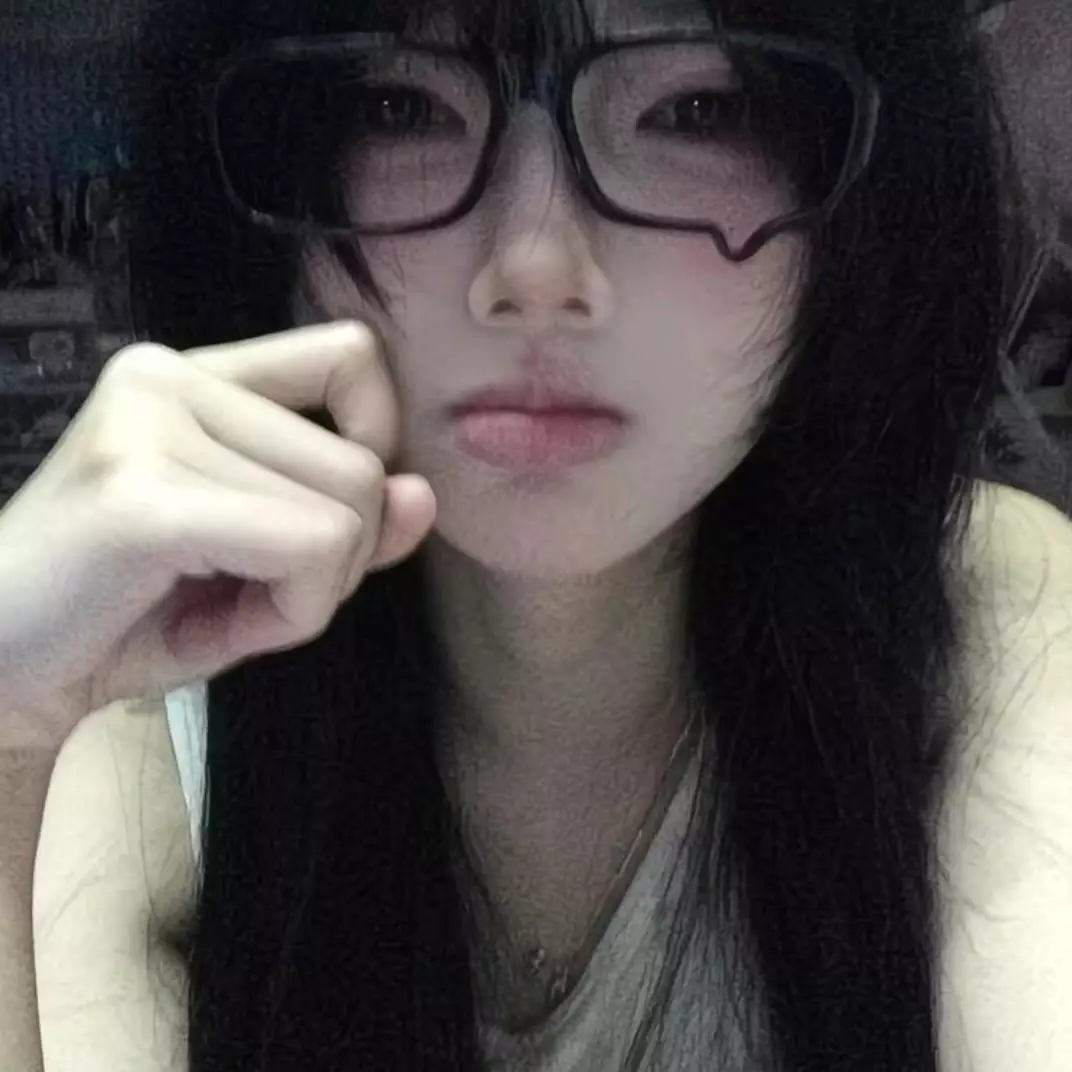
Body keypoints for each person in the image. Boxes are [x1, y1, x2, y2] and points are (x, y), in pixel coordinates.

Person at [1, 0, 1070, 1069]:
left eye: (696, 111)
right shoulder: (139, 723)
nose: (535, 264)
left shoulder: (990, 624)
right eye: (402, 106)